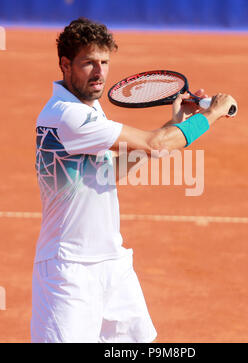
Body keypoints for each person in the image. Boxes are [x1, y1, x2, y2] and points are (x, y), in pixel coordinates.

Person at [31, 17, 237, 343]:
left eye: (104, 62)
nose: (99, 72)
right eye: (88, 63)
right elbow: (156, 144)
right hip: (69, 271)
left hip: (111, 261)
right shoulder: (67, 115)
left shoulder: (86, 108)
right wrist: (210, 115)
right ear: (65, 64)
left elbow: (108, 172)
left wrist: (174, 123)